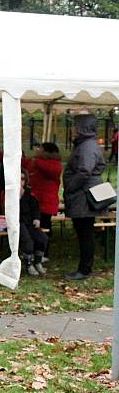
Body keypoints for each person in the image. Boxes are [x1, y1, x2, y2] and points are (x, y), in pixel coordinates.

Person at [63, 111, 105, 281]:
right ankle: (85, 268)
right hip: (83, 195)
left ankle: (85, 269)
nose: (73, 129)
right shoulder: (86, 144)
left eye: (76, 126)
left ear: (83, 127)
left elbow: (85, 170)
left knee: (85, 233)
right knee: (84, 233)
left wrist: (71, 186)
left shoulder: (87, 146)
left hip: (84, 196)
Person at [29, 142, 62, 257]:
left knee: (45, 227)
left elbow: (49, 170)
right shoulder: (38, 162)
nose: (38, 150)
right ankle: (35, 251)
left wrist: (36, 160)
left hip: (46, 201)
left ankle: (44, 253)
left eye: (41, 149)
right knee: (36, 226)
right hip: (37, 200)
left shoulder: (54, 164)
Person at [18, 170, 49, 276]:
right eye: (18, 178)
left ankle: (38, 262)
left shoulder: (30, 193)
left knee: (43, 238)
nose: (20, 181)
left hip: (29, 222)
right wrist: (18, 198)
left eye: (22, 179)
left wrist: (37, 218)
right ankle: (28, 264)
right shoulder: (8, 192)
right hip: (17, 222)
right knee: (28, 242)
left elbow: (35, 207)